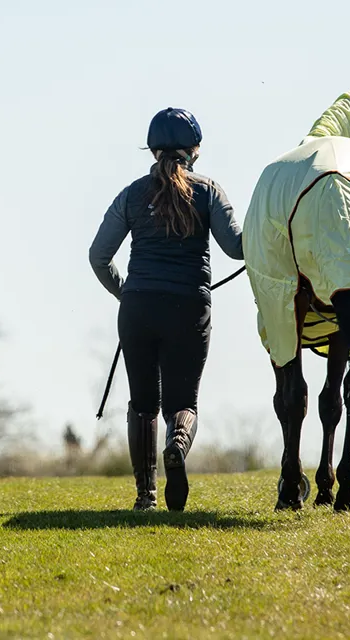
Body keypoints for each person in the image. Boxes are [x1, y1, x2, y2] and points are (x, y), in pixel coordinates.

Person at [89, 107, 244, 511]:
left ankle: (146, 497)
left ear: (153, 150)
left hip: (138, 308)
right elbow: (236, 247)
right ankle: (176, 445)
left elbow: (98, 256)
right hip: (188, 308)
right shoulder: (208, 191)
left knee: (143, 404)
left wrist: (126, 293)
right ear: (194, 151)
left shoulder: (130, 194)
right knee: (183, 404)